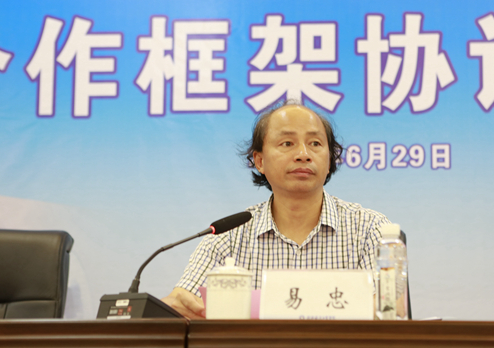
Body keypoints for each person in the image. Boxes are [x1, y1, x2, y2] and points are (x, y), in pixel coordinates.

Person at [162, 102, 390, 319]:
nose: (303, 154)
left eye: (315, 143)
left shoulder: (369, 229)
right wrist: (178, 307)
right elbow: (179, 303)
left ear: (330, 160)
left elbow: (389, 309)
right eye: (287, 143)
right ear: (259, 161)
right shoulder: (228, 236)